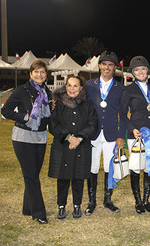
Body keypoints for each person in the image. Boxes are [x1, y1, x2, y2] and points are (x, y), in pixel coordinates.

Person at [1, 60, 52, 224]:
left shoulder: (47, 93)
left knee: (33, 175)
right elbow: (5, 110)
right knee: (31, 176)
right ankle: (39, 213)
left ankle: (27, 207)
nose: (39, 75)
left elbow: (50, 115)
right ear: (30, 74)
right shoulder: (21, 91)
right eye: (36, 72)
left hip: (41, 137)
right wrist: (23, 117)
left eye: (42, 72)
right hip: (23, 137)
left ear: (46, 74)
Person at [48, 75, 98, 220]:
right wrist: (69, 137)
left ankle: (77, 205)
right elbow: (53, 125)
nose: (72, 89)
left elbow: (92, 125)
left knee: (78, 177)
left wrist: (79, 138)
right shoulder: (58, 104)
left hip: (81, 146)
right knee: (63, 178)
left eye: (75, 85)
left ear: (81, 88)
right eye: (69, 85)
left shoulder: (88, 105)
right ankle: (61, 206)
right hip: (63, 145)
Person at [85, 50, 126, 215]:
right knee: (93, 167)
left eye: (110, 65)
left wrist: (121, 136)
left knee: (110, 168)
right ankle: (91, 202)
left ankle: (108, 200)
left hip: (111, 134)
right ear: (100, 66)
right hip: (93, 133)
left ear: (114, 68)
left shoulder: (121, 88)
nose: (107, 67)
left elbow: (123, 115)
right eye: (104, 64)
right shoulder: (89, 85)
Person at [120, 55, 150, 214]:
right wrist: (131, 128)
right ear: (133, 73)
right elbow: (122, 114)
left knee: (149, 167)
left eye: (143, 69)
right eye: (137, 70)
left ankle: (146, 200)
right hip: (136, 133)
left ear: (147, 71)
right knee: (136, 167)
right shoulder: (128, 89)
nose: (140, 72)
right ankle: (137, 201)